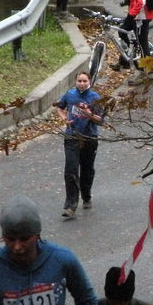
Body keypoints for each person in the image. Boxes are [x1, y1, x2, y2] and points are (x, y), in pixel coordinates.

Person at [55, 71, 104, 219]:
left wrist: (88, 114)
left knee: (87, 170)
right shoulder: (70, 95)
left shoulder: (95, 98)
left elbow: (100, 120)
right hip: (71, 136)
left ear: (89, 82)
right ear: (75, 82)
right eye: (79, 81)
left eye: (84, 81)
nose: (82, 84)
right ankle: (70, 206)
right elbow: (59, 106)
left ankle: (86, 195)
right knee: (71, 170)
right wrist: (64, 117)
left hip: (89, 138)